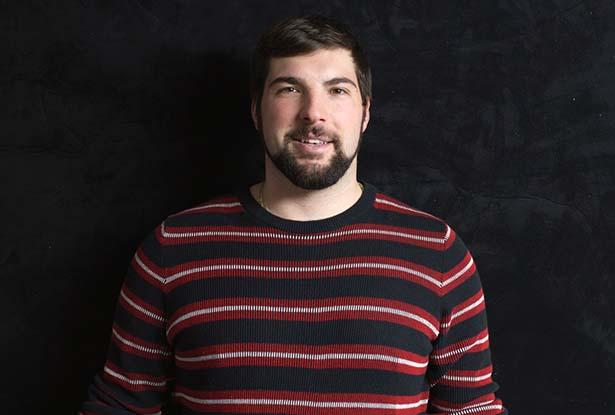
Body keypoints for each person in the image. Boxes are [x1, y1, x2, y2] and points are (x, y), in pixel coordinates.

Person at [81, 15, 506, 415]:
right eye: (288, 88)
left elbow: (473, 409)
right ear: (255, 110)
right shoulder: (172, 250)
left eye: (337, 90)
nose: (313, 113)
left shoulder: (438, 255)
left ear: (366, 113)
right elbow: (118, 407)